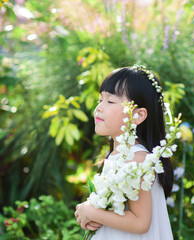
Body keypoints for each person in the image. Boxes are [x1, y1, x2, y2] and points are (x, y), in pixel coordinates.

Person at [75, 66, 174, 240]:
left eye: (110, 101)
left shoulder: (138, 160)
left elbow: (141, 222)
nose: (99, 108)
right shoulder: (119, 156)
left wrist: (92, 212)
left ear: (137, 115)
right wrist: (89, 211)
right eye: (100, 100)